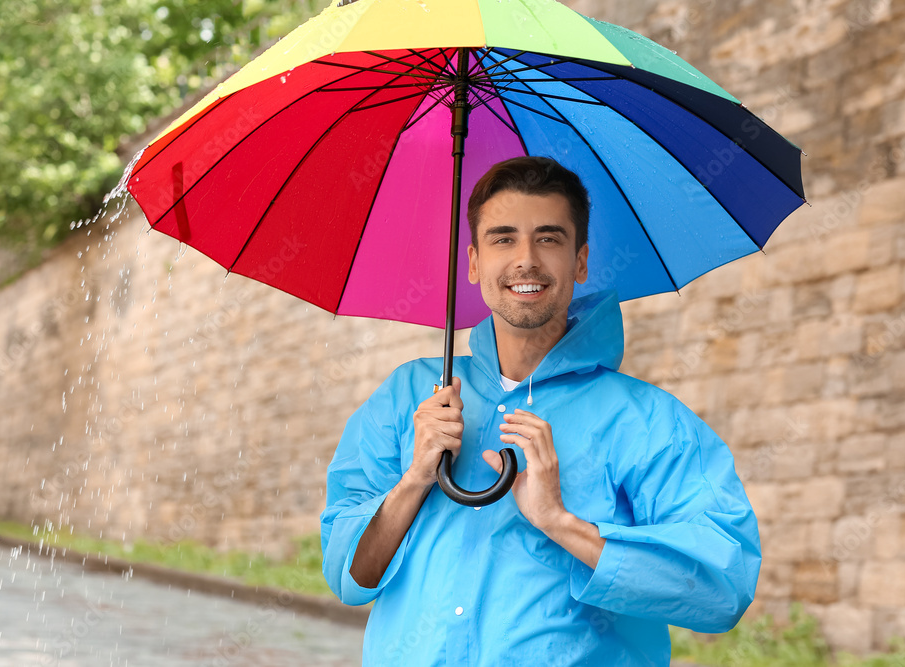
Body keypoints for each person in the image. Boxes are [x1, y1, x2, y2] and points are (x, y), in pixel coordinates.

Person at [320, 156, 761, 666]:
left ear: (580, 261)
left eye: (548, 238)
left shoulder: (649, 422)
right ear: (473, 263)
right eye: (503, 238)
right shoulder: (408, 397)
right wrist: (415, 479)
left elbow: (721, 591)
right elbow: (348, 578)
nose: (526, 259)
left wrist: (560, 522)